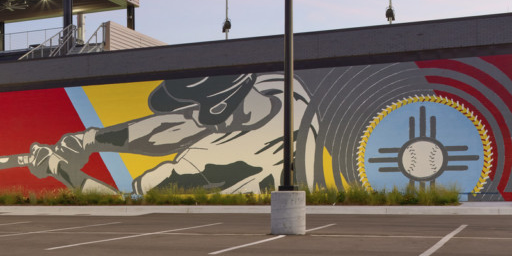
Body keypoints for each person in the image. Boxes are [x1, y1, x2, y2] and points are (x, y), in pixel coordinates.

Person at [26, 73, 308, 195]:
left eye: (194, 108)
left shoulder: (205, 161)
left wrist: (59, 169)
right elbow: (177, 126)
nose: (187, 116)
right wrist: (91, 140)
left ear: (220, 107)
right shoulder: (284, 88)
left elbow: (124, 204)